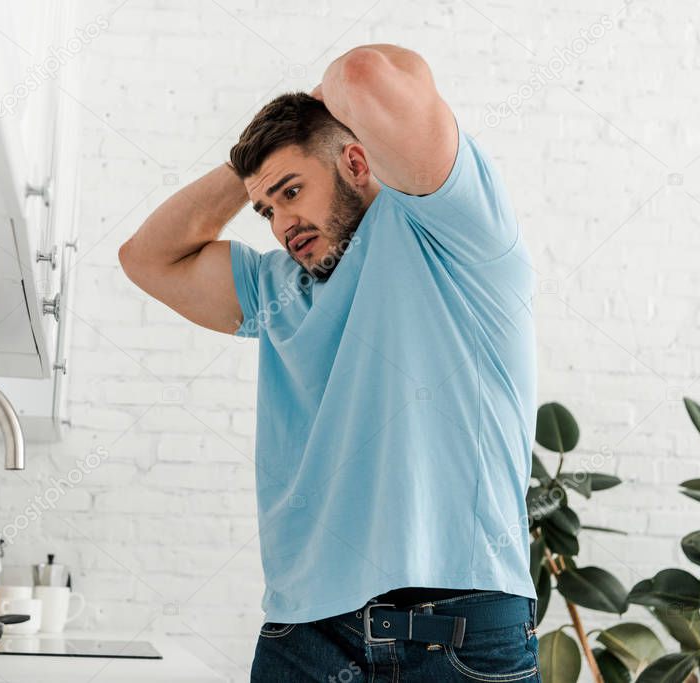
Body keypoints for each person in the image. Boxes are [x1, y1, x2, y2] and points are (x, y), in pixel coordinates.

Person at [119, 43, 540, 682]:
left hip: (460, 634)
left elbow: (365, 76)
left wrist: (315, 110)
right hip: (306, 639)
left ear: (355, 159)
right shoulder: (276, 289)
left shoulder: (449, 228)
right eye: (267, 210)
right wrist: (252, 168)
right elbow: (145, 258)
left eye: (293, 192)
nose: (282, 224)